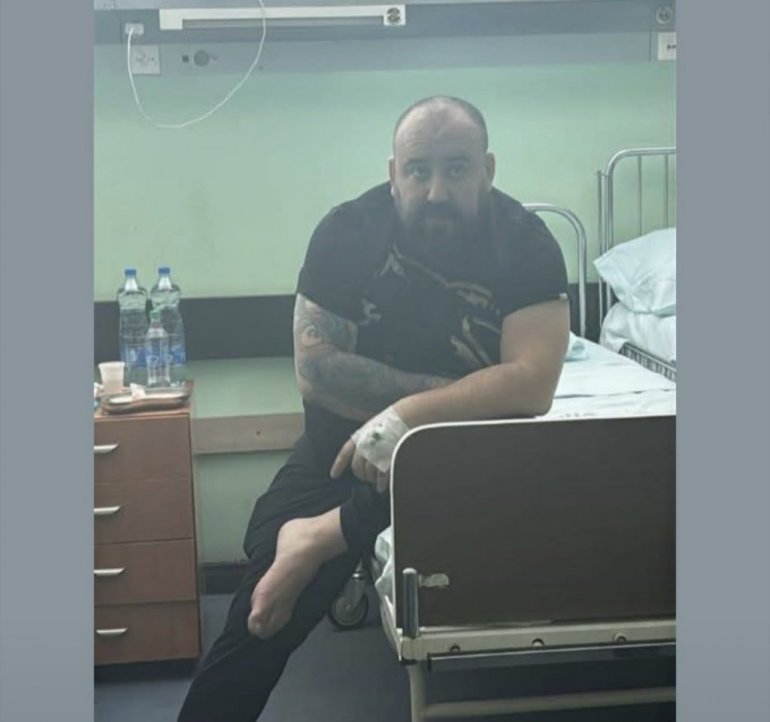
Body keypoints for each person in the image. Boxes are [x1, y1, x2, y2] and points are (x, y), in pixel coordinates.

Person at [177, 96, 570, 722]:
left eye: (457, 169)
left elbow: (531, 385)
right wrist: (451, 397)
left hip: (463, 455)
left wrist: (407, 417)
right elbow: (316, 369)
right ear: (393, 173)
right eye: (418, 170)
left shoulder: (525, 244)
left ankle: (321, 535)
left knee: (485, 457)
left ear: (488, 169)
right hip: (338, 450)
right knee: (261, 598)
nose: (436, 190)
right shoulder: (348, 232)